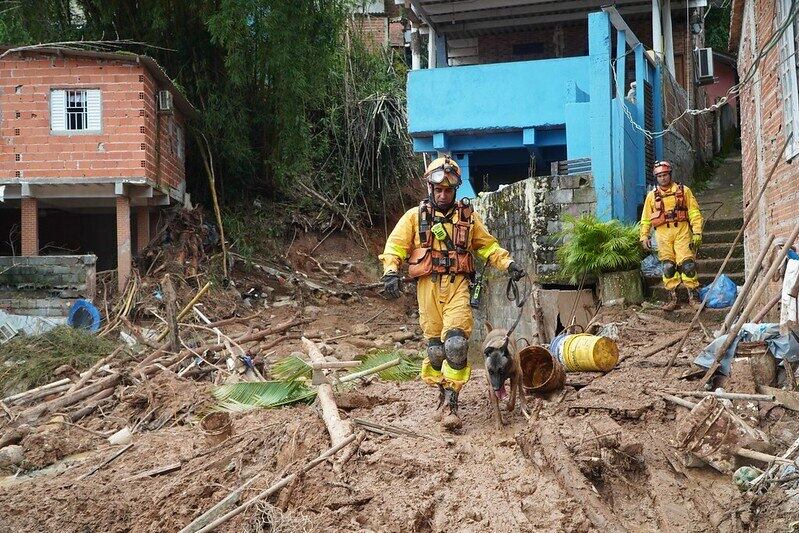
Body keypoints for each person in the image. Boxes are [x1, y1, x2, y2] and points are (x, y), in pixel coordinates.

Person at [379, 156, 524, 430]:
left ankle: (452, 404)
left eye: (448, 190)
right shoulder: (414, 217)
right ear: (430, 189)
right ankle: (442, 393)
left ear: (455, 190)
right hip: (428, 289)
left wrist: (509, 264)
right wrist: (390, 271)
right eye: (438, 190)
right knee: (435, 352)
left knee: (456, 345)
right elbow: (395, 247)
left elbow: (487, 246)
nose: (443, 195)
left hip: (457, 285)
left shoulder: (468, 218)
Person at [640, 160, 704, 312]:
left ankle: (693, 297)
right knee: (668, 267)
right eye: (660, 176)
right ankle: (672, 298)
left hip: (682, 231)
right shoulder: (651, 196)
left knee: (687, 265)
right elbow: (646, 219)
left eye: (665, 175)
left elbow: (694, 213)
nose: (663, 178)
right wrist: (644, 236)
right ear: (656, 178)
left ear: (670, 174)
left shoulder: (684, 191)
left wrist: (697, 232)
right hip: (662, 235)